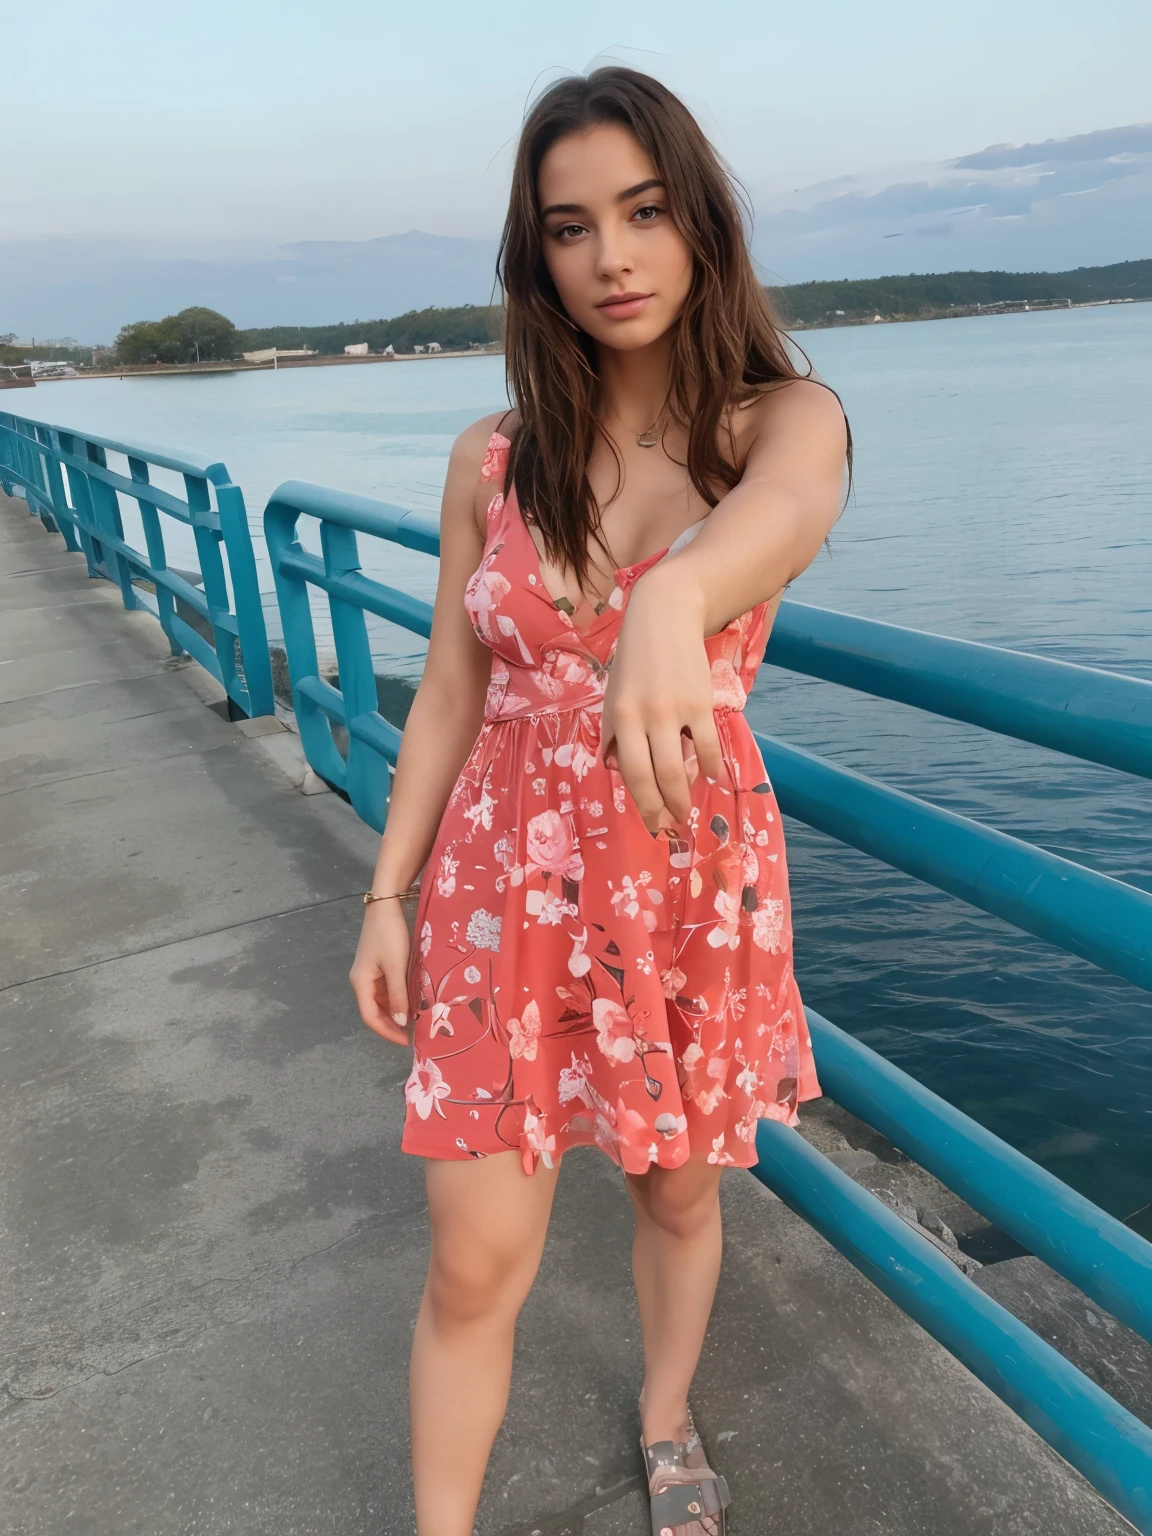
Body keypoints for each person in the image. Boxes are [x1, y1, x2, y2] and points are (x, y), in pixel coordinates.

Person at [349, 65, 848, 1536]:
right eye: (569, 228)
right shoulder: (491, 458)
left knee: (677, 1197)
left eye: (641, 212)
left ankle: (668, 1414)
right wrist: (388, 893)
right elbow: (449, 690)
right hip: (499, 887)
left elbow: (791, 512)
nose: (611, 257)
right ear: (536, 258)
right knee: (470, 1259)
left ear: (698, 224)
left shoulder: (778, 419)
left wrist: (671, 593)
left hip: (685, 879)